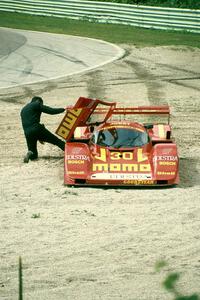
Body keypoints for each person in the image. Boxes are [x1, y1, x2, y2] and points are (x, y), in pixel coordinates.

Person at [20, 96, 65, 163]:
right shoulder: (36, 104)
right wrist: (64, 109)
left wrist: (39, 137)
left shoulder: (23, 109)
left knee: (34, 155)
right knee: (56, 141)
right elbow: (51, 111)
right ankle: (71, 152)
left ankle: (30, 153)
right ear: (39, 101)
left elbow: (29, 121)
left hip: (27, 132)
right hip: (36, 128)